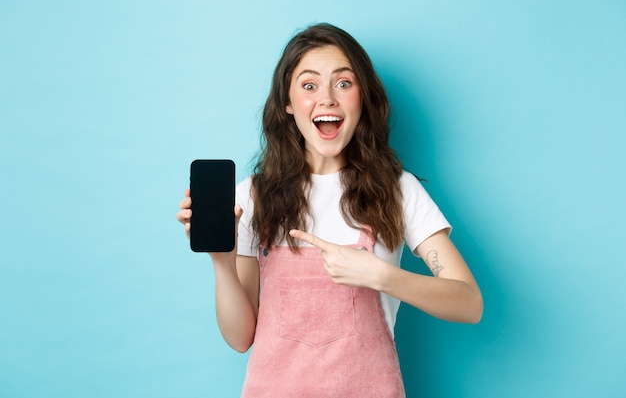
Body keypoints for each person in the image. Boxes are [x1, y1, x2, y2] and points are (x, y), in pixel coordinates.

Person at [176, 23, 483, 398]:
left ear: (362, 97)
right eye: (309, 85)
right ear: (287, 104)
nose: (327, 99)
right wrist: (221, 263)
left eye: (343, 83)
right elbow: (240, 339)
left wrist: (381, 276)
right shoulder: (253, 198)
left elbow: (469, 303)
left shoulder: (398, 190)